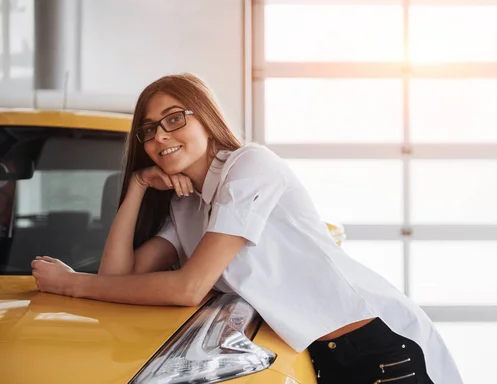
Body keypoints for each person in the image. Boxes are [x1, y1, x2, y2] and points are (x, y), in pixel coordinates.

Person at [31, 73, 463, 384]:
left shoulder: (251, 166)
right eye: (148, 130)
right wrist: (138, 186)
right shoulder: (186, 208)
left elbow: (187, 288)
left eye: (174, 119)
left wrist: (70, 284)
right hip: (321, 355)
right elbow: (115, 281)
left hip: (378, 344)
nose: (160, 136)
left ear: (205, 118)